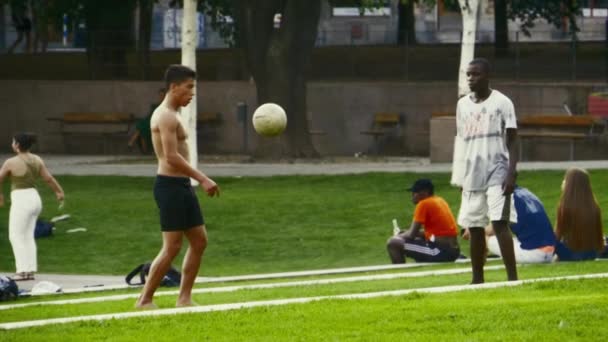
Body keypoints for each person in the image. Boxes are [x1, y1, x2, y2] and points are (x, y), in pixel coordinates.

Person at [135, 65, 220, 309]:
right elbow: (171, 157)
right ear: (174, 87)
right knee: (172, 247)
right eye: (189, 87)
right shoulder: (165, 116)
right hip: (170, 187)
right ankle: (145, 299)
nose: (192, 93)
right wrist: (203, 178)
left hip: (181, 186)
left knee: (199, 241)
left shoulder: (173, 114)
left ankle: (184, 298)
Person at [453, 58, 519, 284]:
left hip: (498, 169)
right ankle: (477, 279)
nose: (471, 78)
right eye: (468, 74)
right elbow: (462, 141)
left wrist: (511, 172)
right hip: (472, 172)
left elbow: (512, 140)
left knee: (499, 222)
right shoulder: (462, 105)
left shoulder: (502, 102)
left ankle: (512, 278)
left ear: (487, 76)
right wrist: (462, 174)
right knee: (474, 225)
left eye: (476, 74)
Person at [0, 133, 65, 281]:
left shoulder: (11, 162)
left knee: (16, 235)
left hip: (21, 199)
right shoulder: (37, 159)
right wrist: (59, 191)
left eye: (13, 142)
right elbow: (48, 178)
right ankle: (29, 270)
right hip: (35, 198)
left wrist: (1, 196)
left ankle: (22, 271)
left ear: (17, 145)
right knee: (28, 236)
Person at [462, 186, 556, 264]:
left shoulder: (504, 198)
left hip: (535, 254)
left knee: (480, 235)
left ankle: (478, 267)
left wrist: (472, 230)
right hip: (549, 251)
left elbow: (493, 229)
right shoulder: (525, 192)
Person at [386, 179, 460, 264]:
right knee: (417, 239)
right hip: (453, 250)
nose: (412, 195)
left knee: (393, 242)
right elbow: (434, 233)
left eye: (415, 192)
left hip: (440, 251)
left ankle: (399, 273)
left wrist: (398, 235)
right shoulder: (439, 200)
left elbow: (411, 235)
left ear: (425, 192)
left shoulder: (424, 204)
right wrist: (405, 232)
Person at [554, 167, 605, 261]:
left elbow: (558, 235)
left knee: (549, 238)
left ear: (570, 184)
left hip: (572, 254)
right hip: (592, 253)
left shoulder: (565, 206)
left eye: (565, 179)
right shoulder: (594, 206)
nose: (563, 182)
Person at [128, 88, 166, 154]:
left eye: (162, 95)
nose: (161, 97)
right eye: (160, 95)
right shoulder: (155, 105)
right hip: (149, 119)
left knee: (142, 127)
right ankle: (142, 150)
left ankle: (131, 143)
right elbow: (150, 114)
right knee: (142, 128)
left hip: (156, 121)